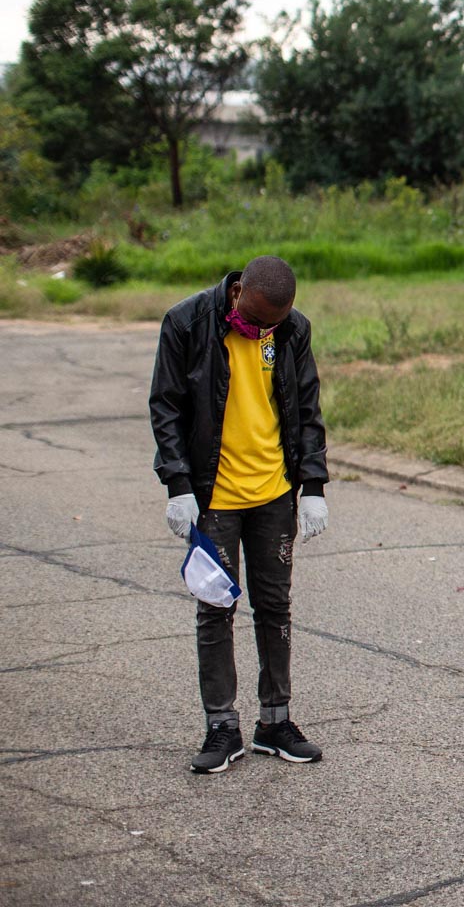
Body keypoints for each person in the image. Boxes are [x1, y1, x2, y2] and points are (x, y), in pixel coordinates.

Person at [149, 255, 331, 774]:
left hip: (274, 492)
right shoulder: (186, 322)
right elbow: (165, 406)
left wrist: (313, 485)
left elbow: (307, 407)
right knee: (216, 607)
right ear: (237, 293)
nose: (264, 331)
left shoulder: (292, 329)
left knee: (275, 606)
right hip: (214, 496)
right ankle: (222, 728)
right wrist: (178, 485)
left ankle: (275, 722)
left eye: (274, 323)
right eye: (258, 320)